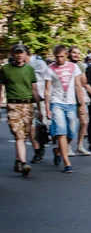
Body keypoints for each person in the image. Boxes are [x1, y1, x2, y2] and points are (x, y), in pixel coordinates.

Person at [0, 44, 42, 177]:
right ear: (13, 54)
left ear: (26, 55)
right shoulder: (5, 69)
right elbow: (0, 87)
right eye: (16, 53)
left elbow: (34, 89)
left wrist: (40, 109)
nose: (19, 55)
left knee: (23, 135)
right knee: (18, 134)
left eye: (21, 53)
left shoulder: (29, 70)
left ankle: (18, 160)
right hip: (13, 105)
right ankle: (24, 163)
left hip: (28, 105)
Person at [45, 45, 86, 173]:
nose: (59, 59)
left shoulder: (74, 67)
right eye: (57, 57)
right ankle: (67, 163)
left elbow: (79, 86)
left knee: (71, 133)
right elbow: (47, 90)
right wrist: (47, 108)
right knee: (61, 132)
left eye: (62, 56)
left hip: (71, 103)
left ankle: (58, 150)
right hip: (56, 103)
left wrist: (82, 104)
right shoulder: (50, 69)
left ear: (66, 55)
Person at [25, 50, 49, 164]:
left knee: (43, 127)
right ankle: (37, 151)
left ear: (27, 54)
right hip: (28, 100)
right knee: (31, 127)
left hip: (41, 99)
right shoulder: (19, 66)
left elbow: (48, 80)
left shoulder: (39, 64)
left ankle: (43, 144)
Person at [68, 46, 91, 156]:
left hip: (80, 95)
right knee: (71, 124)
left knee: (84, 122)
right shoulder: (66, 65)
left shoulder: (81, 66)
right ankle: (67, 147)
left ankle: (80, 146)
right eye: (74, 53)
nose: (76, 55)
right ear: (69, 54)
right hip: (69, 97)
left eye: (78, 53)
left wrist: (81, 72)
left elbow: (84, 82)